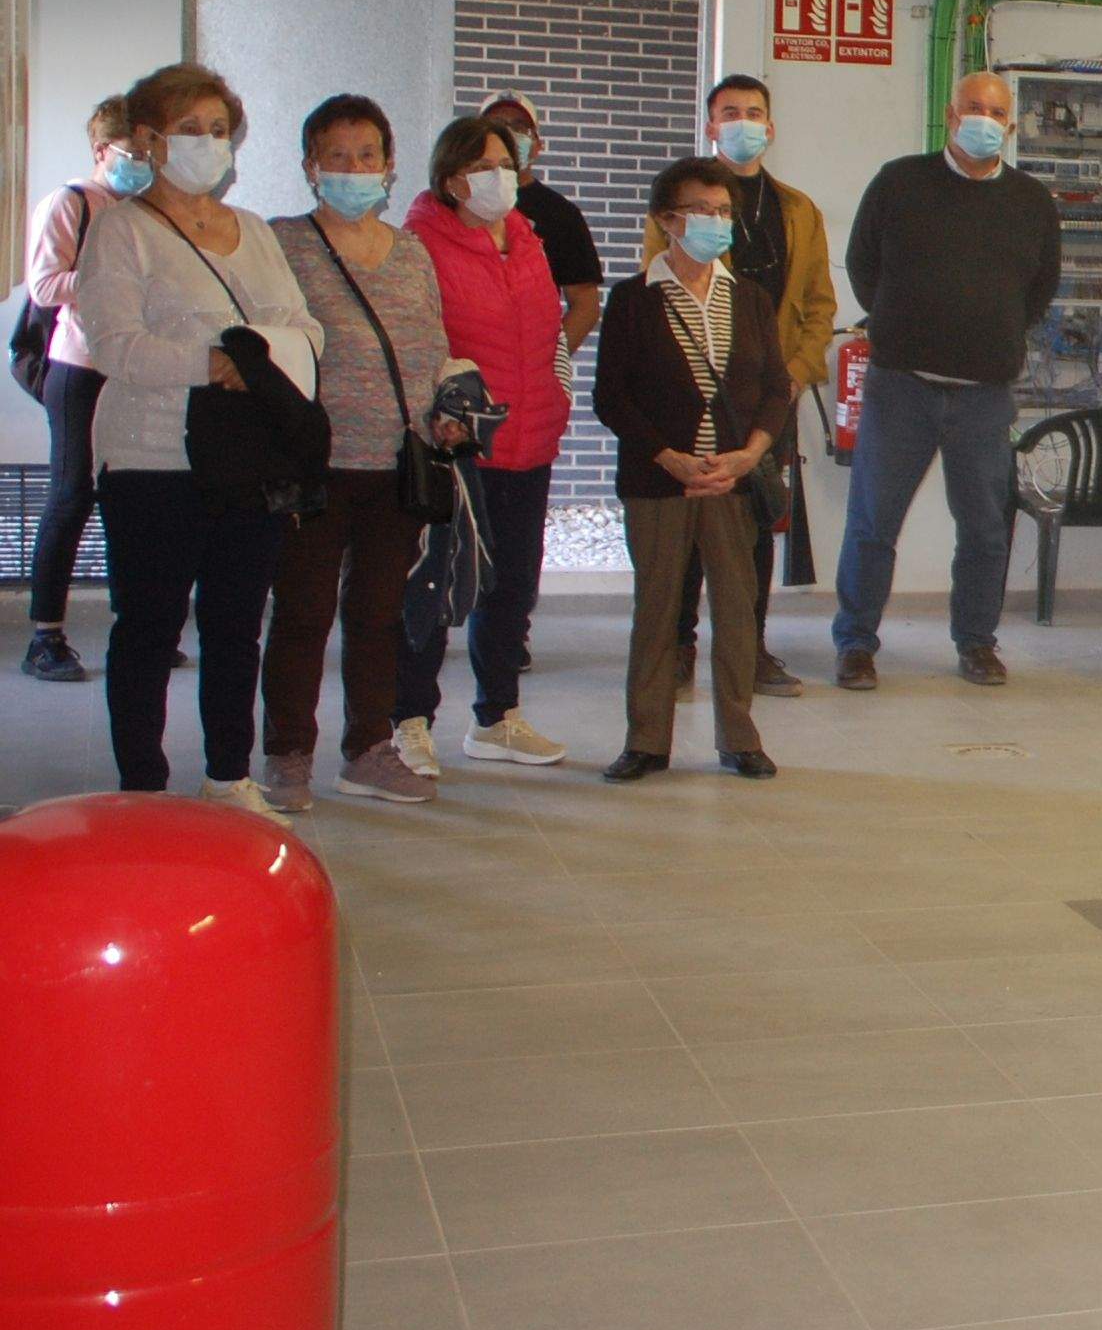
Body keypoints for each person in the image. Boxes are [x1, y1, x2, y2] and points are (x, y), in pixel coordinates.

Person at [74, 63, 325, 818]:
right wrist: (221, 363)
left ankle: (227, 773)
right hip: (152, 459)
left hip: (246, 458)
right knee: (149, 625)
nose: (209, 145)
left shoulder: (251, 229)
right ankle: (143, 787)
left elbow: (306, 327)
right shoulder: (122, 230)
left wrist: (267, 359)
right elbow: (116, 346)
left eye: (220, 131)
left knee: (236, 624)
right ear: (147, 138)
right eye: (191, 131)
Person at [832, 67, 1061, 691]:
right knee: (873, 523)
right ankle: (855, 644)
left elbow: (1039, 288)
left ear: (1009, 125)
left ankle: (977, 642)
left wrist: (992, 331)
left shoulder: (1031, 202)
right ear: (951, 115)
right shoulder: (900, 182)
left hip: (984, 396)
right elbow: (861, 264)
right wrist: (903, 325)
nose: (985, 120)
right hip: (900, 387)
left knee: (986, 527)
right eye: (973, 108)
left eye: (997, 112)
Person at [261, 97, 455, 809]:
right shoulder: (283, 243)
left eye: (366, 154)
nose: (353, 169)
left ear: (389, 164)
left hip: (398, 463)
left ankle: (368, 749)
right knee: (303, 612)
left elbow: (431, 346)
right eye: (336, 156)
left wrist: (448, 414)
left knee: (378, 614)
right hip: (314, 466)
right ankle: (286, 755)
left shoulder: (411, 251)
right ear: (311, 167)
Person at [596, 160, 793, 782]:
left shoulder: (751, 298)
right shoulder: (633, 299)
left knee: (738, 610)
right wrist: (669, 456)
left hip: (732, 481)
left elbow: (773, 387)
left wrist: (751, 452)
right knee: (656, 608)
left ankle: (739, 737)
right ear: (666, 219)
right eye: (701, 210)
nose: (715, 222)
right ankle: (646, 739)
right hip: (660, 481)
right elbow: (612, 396)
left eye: (723, 211)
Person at [646, 75, 837, 697]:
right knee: (686, 525)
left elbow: (817, 306)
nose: (744, 122)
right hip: (692, 393)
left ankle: (748, 650)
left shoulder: (798, 210)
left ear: (771, 128)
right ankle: (675, 647)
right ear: (710, 125)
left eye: (755, 113)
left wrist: (793, 375)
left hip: (766, 400)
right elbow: (654, 288)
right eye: (731, 112)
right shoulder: (676, 204)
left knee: (752, 532)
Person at [396, 114, 572, 772]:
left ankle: (497, 717)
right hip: (457, 449)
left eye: (506, 162)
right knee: (436, 587)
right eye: (482, 166)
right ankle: (408, 721)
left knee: (512, 588)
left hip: (529, 441)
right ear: (449, 178)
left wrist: (554, 402)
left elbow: (549, 331)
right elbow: (416, 344)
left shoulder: (526, 238)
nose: (500, 176)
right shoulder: (419, 243)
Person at [21, 95, 141, 683]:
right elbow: (44, 285)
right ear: (103, 151)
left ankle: (138, 625)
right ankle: (44, 637)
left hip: (135, 370)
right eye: (135, 153)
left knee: (132, 499)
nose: (145, 164)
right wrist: (110, 279)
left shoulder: (146, 210)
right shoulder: (71, 202)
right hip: (79, 367)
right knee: (71, 496)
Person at [477, 92, 605, 362]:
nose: (507, 134)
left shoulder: (561, 215)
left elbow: (586, 304)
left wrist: (547, 363)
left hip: (530, 369)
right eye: (497, 125)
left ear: (537, 145)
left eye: (519, 127)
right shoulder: (452, 205)